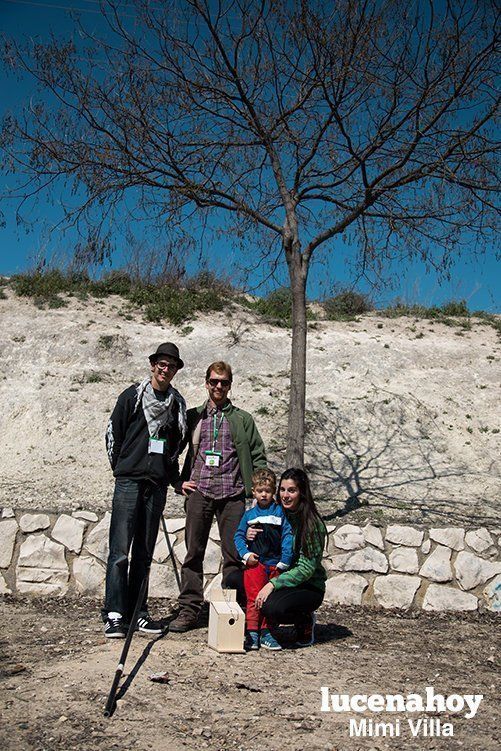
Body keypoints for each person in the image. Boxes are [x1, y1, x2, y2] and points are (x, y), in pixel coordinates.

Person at [169, 361, 267, 633]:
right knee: (193, 553)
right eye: (214, 381)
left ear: (230, 385)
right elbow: (171, 449)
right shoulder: (193, 417)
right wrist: (177, 481)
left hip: (233, 495)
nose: (218, 386)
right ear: (206, 383)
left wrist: (259, 494)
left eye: (223, 382)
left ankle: (232, 612)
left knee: (234, 555)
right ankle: (189, 609)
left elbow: (258, 456)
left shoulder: (243, 419)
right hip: (199, 492)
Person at [102, 343, 187, 638]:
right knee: (119, 552)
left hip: (156, 485)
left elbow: (176, 447)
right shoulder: (132, 396)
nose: (166, 370)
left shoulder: (177, 404)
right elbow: (114, 433)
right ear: (153, 365)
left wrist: (170, 476)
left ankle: (138, 612)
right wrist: (123, 466)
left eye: (171, 366)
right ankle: (114, 613)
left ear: (176, 370)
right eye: (162, 364)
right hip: (129, 481)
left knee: (144, 554)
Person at [254, 468, 327, 647]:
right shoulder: (276, 514)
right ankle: (257, 626)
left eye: (291, 490)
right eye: (282, 490)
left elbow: (305, 569)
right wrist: (248, 534)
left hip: (307, 586)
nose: (285, 495)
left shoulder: (311, 524)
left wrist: (272, 584)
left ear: (302, 493)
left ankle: (304, 620)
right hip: (276, 573)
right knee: (236, 580)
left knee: (272, 607)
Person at [234, 468, 293, 651]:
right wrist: (246, 555)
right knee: (253, 598)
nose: (264, 495)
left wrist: (284, 560)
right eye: (260, 491)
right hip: (255, 564)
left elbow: (287, 535)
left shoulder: (280, 513)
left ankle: (267, 632)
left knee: (268, 600)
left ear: (273, 491)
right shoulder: (249, 515)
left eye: (268, 491)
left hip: (274, 564)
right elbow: (238, 536)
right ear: (254, 492)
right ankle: (252, 631)